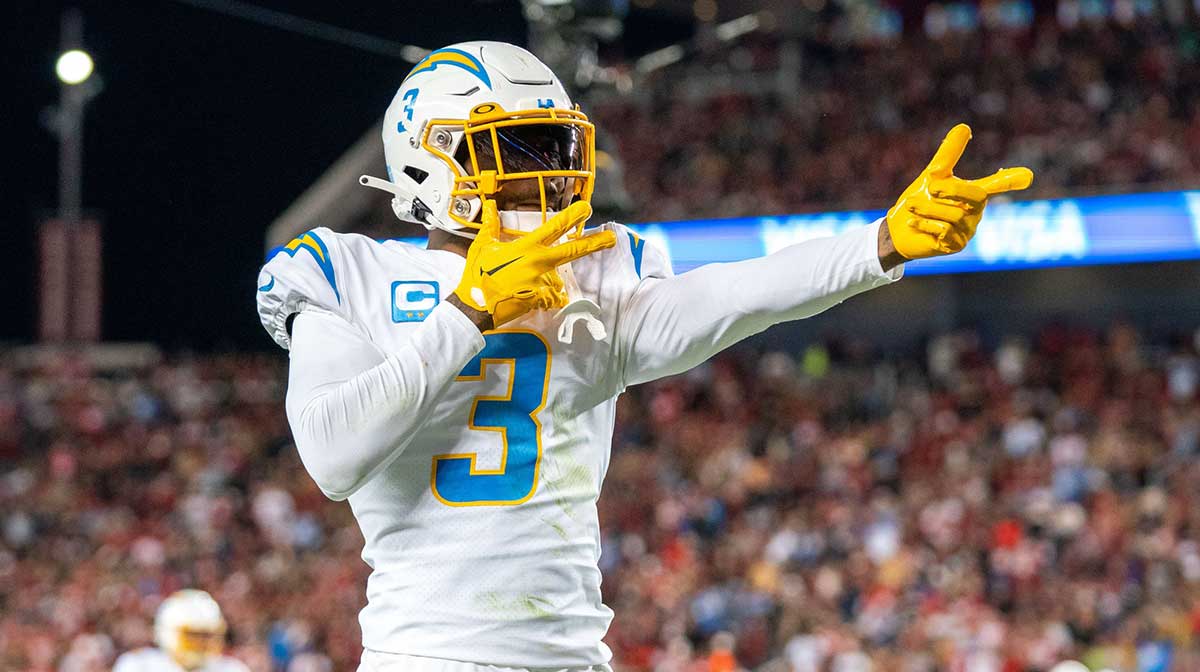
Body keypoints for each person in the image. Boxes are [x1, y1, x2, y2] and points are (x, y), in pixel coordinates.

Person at [255, 41, 1032, 672]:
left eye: (550, 145)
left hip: (573, 656)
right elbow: (332, 457)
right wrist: (469, 311)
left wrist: (878, 245)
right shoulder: (350, 273)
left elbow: (732, 296)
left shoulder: (592, 267)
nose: (543, 170)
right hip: (427, 657)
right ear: (427, 163)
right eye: (510, 149)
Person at [112, 590, 249, 672]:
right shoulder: (138, 665)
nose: (201, 643)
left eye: (207, 636)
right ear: (167, 633)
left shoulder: (232, 668)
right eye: (193, 636)